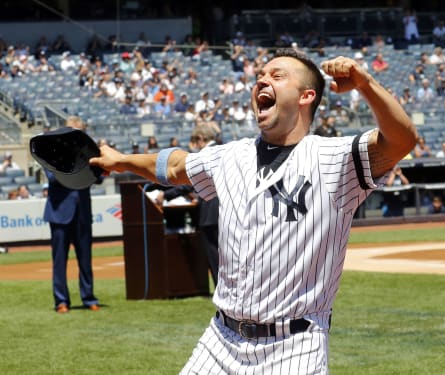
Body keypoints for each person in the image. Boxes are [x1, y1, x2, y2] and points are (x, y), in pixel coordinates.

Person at [90, 49, 417, 374]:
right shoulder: (231, 156)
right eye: (260, 75)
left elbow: (401, 140)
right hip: (220, 340)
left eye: (277, 75)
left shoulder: (335, 159)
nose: (262, 79)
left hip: (294, 347)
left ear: (306, 96)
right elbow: (175, 166)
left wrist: (365, 84)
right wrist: (120, 161)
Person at [43, 116, 101, 314]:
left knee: (85, 259)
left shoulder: (87, 154)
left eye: (82, 132)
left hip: (82, 213)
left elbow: (98, 178)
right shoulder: (51, 152)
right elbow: (53, 178)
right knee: (59, 260)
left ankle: (89, 297)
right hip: (60, 213)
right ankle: (61, 301)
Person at [154, 125, 220, 286]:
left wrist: (166, 194)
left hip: (210, 215)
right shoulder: (222, 151)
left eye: (194, 141)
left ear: (201, 139)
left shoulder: (205, 155)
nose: (194, 145)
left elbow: (190, 182)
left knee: (215, 258)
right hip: (227, 212)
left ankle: (222, 295)